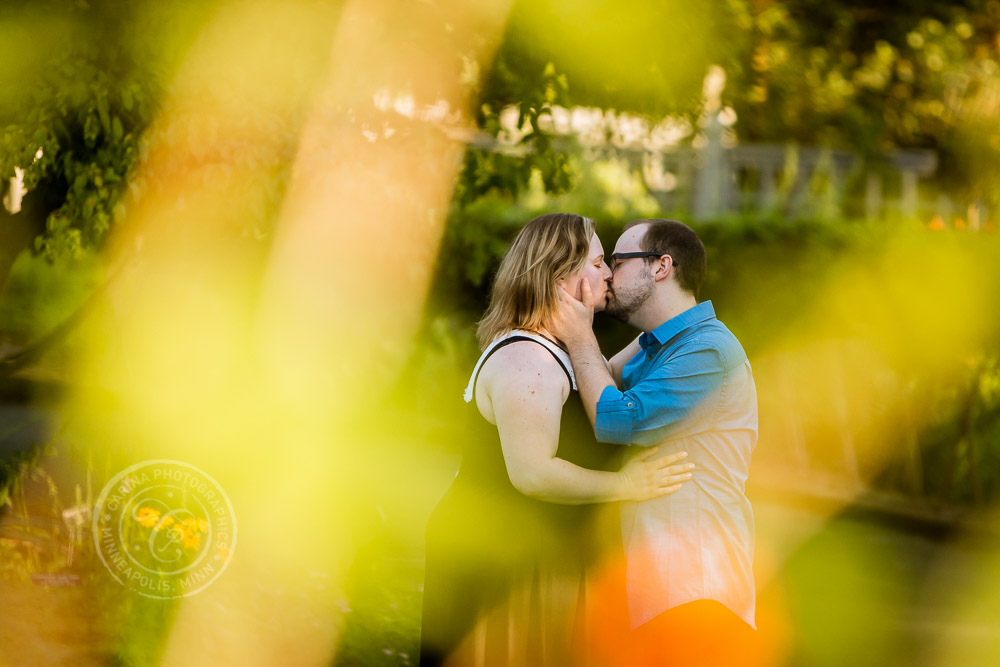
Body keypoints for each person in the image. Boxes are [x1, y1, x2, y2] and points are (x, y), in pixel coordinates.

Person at [419, 213, 695, 667]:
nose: (609, 273)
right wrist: (628, 485)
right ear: (559, 274)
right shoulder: (527, 359)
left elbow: (638, 351)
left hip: (537, 557)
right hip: (502, 566)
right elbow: (532, 473)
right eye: (600, 261)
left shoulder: (562, 349)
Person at [550, 218, 759, 667]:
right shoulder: (659, 344)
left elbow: (614, 419)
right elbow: (594, 384)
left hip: (698, 588)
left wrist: (579, 335)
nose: (606, 275)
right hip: (664, 587)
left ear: (661, 267)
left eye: (618, 263)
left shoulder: (708, 351)